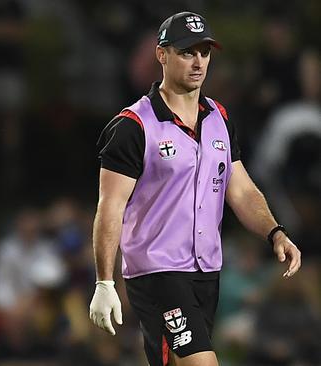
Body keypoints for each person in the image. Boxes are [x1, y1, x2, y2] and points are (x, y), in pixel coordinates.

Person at [88, 12, 302, 366]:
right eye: (187, 52)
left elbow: (241, 189)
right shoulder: (134, 125)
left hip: (206, 270)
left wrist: (274, 231)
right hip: (158, 271)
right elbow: (110, 206)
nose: (198, 61)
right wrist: (104, 281)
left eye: (204, 52)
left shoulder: (219, 116)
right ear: (162, 55)